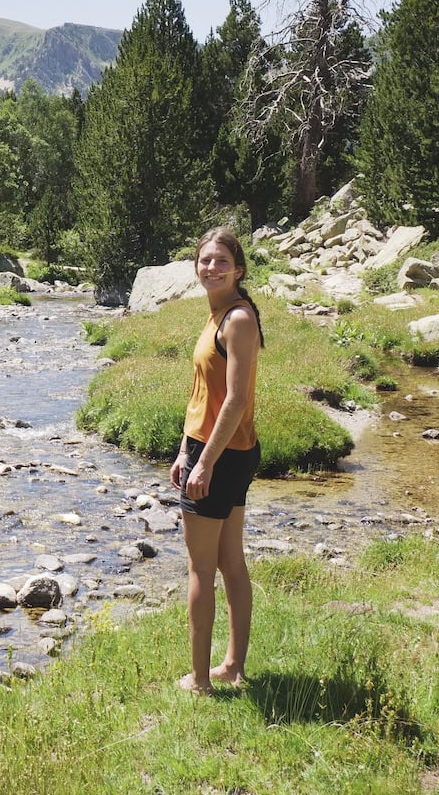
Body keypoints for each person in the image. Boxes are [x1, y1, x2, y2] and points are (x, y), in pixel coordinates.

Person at [170, 227, 264, 695]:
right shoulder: (217, 315)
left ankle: (202, 682)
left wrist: (203, 462)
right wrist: (184, 449)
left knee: (201, 568)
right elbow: (205, 393)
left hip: (222, 456)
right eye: (205, 260)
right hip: (213, 450)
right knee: (229, 560)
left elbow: (235, 402)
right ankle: (232, 667)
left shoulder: (238, 319)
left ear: (238, 270)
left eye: (221, 261)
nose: (212, 267)